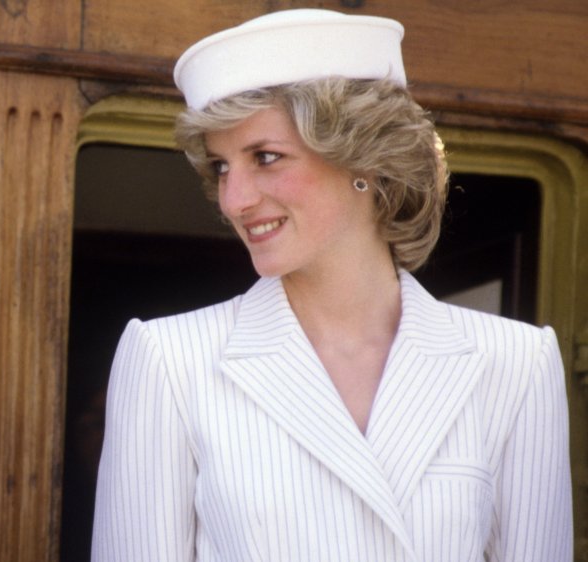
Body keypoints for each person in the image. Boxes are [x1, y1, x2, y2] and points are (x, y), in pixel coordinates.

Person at [91, 9, 572, 562]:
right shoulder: (169, 361)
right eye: (223, 168)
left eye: (265, 158)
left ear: (363, 161)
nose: (234, 199)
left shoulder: (515, 364)